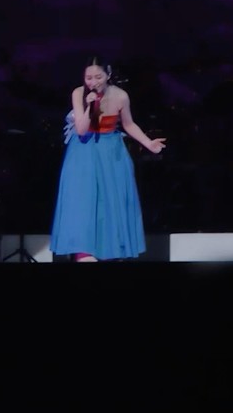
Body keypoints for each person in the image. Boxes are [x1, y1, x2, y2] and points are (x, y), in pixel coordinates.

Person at [50, 56, 167, 262]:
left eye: (98, 77)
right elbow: (81, 129)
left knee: (110, 200)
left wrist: (149, 143)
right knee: (82, 201)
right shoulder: (79, 93)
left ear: (108, 75)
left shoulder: (120, 96)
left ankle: (110, 250)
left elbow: (128, 124)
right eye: (88, 77)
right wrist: (91, 106)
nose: (93, 82)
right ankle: (83, 252)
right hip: (83, 150)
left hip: (111, 150)